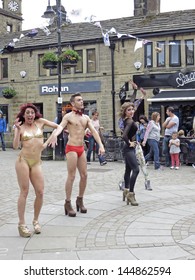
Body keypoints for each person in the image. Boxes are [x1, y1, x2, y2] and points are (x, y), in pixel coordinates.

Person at [47, 93, 105, 217]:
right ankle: (67, 202)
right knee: (72, 175)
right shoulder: (68, 116)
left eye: (82, 100)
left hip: (80, 148)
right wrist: (55, 135)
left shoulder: (85, 117)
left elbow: (94, 132)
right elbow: (60, 127)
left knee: (84, 175)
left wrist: (101, 145)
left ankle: (80, 200)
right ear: (73, 103)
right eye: (79, 100)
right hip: (71, 147)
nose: (81, 102)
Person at [13, 103, 60, 238]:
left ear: (35, 114)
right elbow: (16, 146)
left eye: (32, 113)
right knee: (24, 191)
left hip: (36, 162)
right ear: (23, 114)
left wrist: (53, 137)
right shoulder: (20, 127)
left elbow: (59, 127)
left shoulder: (40, 122)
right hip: (23, 161)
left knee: (40, 192)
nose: (30, 115)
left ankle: (36, 220)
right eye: (27, 113)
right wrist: (16, 130)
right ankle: (21, 224)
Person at [120, 102, 139, 206]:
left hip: (128, 148)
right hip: (128, 148)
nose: (131, 111)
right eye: (129, 110)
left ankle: (126, 190)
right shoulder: (130, 121)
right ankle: (131, 193)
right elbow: (124, 135)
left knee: (128, 170)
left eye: (132, 109)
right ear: (125, 112)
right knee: (136, 169)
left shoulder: (127, 120)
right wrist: (130, 143)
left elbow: (128, 134)